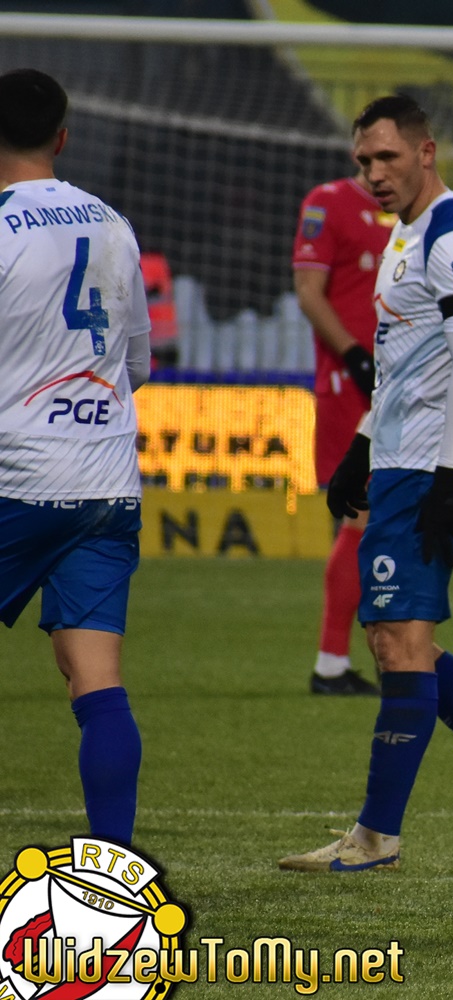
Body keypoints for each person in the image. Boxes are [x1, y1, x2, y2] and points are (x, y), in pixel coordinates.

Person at [279, 95, 453, 873]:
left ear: (426, 152)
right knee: (402, 641)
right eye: (363, 160)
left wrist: (449, 479)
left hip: (428, 464)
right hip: (397, 459)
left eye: (387, 157)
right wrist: (362, 447)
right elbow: (401, 366)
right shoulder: (405, 232)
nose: (374, 173)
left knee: (400, 644)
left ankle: (376, 837)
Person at [0, 69, 152, 845]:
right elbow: (138, 364)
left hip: (16, 479)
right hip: (104, 480)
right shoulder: (113, 225)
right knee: (97, 681)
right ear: (62, 137)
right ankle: (116, 870)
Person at [293, 144, 395, 695]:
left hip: (402, 384)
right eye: (370, 151)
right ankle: (334, 662)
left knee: (387, 518)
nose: (379, 164)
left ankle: (377, 652)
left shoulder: (421, 212)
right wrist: (355, 355)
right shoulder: (328, 202)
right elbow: (308, 292)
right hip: (350, 384)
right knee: (360, 517)